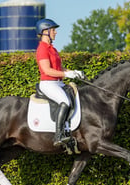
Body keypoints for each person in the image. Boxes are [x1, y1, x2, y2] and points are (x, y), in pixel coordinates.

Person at [35, 18, 84, 146]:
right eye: (53, 30)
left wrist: (73, 72)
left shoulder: (52, 49)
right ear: (45, 31)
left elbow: (59, 68)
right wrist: (66, 74)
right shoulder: (42, 49)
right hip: (48, 83)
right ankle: (58, 135)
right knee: (65, 102)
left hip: (58, 83)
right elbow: (47, 70)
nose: (55, 32)